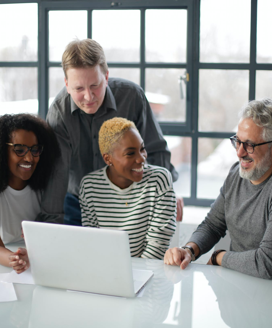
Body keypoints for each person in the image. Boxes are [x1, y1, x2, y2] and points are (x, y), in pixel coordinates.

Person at [41, 38, 181, 226]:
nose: (88, 97)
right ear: (66, 84)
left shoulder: (132, 97)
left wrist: (166, 195)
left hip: (130, 200)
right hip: (76, 203)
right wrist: (49, 227)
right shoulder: (59, 112)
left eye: (95, 86)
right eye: (79, 88)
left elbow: (156, 152)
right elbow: (56, 174)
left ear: (106, 77)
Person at [164, 98, 272, 279]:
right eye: (237, 141)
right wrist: (189, 250)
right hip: (235, 283)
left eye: (250, 145)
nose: (239, 152)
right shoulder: (235, 174)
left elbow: (266, 263)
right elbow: (213, 225)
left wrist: (219, 257)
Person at [79, 117, 176, 259]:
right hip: (106, 271)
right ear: (108, 159)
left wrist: (133, 278)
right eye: (130, 153)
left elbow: (158, 245)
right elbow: (93, 242)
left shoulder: (159, 180)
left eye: (142, 148)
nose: (141, 158)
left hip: (149, 273)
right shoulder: (89, 187)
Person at [0, 114, 60, 273]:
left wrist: (33, 257)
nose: (29, 158)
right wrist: (14, 259)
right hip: (7, 263)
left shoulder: (46, 188)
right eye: (19, 150)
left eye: (35, 150)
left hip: (42, 260)